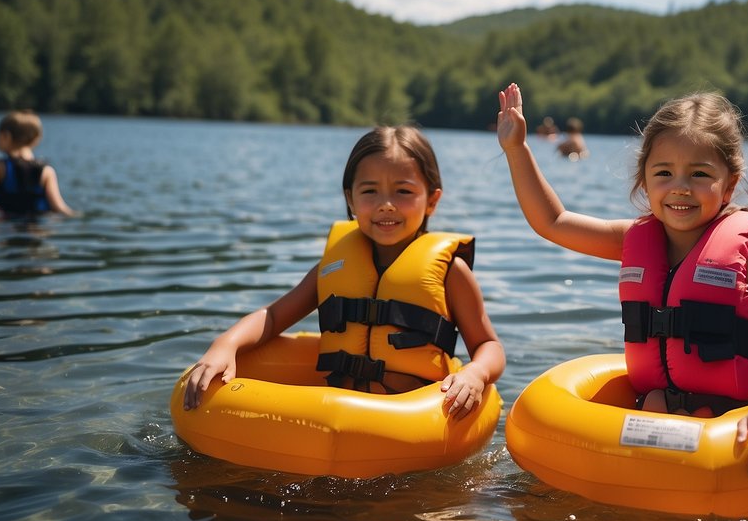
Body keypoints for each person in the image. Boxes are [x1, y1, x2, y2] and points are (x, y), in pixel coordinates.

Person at [496, 83, 748, 478]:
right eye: (664, 172)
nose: (680, 186)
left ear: (729, 184)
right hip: (656, 421)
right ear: (644, 180)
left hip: (730, 433)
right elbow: (553, 222)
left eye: (699, 174)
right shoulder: (631, 240)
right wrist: (517, 149)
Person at [182, 125, 506, 418]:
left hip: (412, 420)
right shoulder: (332, 265)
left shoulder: (452, 271)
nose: (386, 204)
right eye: (370, 191)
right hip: (334, 411)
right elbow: (273, 316)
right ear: (350, 199)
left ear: (432, 201)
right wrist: (225, 345)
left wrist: (475, 374)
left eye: (403, 191)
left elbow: (488, 346)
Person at [0, 110, 74, 216]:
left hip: (5, 227)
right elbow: (60, 208)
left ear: (6, 136)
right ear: (36, 139)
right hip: (36, 231)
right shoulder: (47, 171)